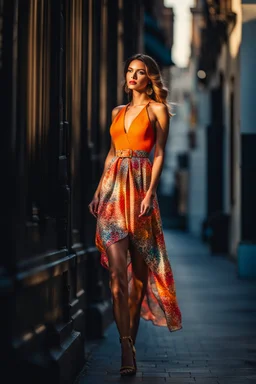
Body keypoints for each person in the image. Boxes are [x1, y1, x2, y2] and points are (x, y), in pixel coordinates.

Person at [88, 53, 182, 376]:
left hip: (141, 194)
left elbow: (159, 154)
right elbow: (112, 155)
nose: (132, 76)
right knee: (117, 277)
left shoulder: (157, 111)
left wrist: (152, 192)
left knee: (139, 280)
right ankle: (126, 345)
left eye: (139, 72)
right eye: (129, 71)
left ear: (148, 78)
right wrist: (99, 191)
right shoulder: (117, 111)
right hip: (115, 195)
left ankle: (131, 339)